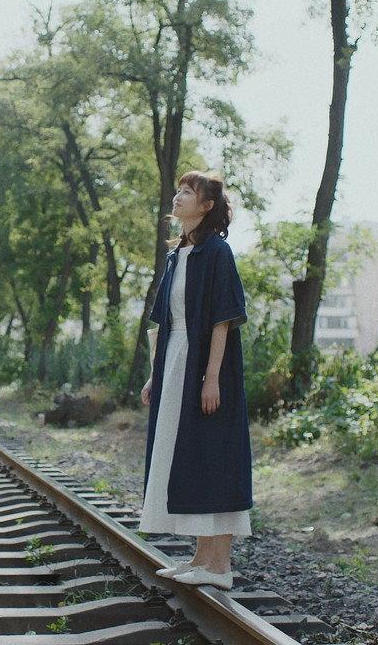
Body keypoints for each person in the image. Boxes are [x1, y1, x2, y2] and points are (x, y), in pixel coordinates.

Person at [138, 170, 253, 590]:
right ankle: (200, 559)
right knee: (188, 456)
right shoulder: (178, 255)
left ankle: (219, 566)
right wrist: (155, 375)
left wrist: (212, 378)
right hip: (175, 362)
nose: (178, 196)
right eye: (179, 190)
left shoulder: (218, 252)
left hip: (206, 366)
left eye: (188, 192)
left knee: (213, 457)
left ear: (206, 206)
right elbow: (164, 323)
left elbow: (223, 321)